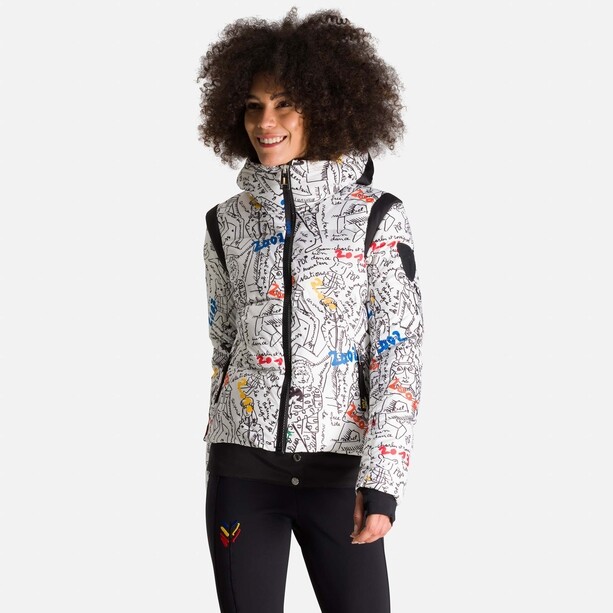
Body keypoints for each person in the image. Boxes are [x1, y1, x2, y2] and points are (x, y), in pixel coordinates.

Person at [197, 7, 424, 612]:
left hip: (340, 475)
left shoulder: (376, 215)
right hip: (243, 473)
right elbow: (224, 342)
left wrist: (382, 481)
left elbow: (397, 355)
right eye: (252, 106)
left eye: (284, 105)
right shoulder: (225, 223)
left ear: (326, 106)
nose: (264, 122)